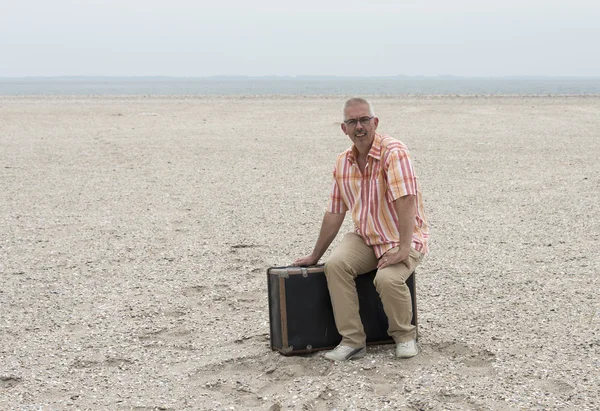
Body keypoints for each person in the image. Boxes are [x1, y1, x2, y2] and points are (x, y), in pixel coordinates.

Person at [294, 97, 430, 361]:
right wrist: (314, 256)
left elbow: (406, 200)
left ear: (375, 122)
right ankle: (353, 341)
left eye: (364, 120)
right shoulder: (343, 162)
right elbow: (335, 212)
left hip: (401, 236)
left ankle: (404, 336)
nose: (359, 126)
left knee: (387, 279)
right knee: (335, 265)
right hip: (366, 237)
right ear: (344, 128)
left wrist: (403, 248)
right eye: (352, 121)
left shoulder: (394, 152)